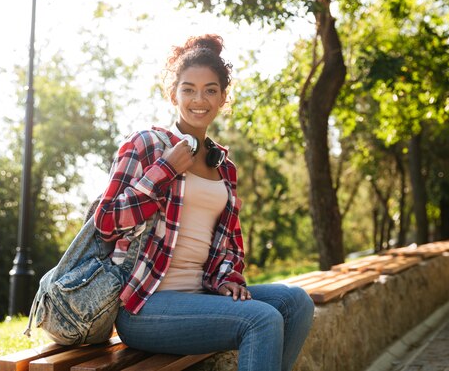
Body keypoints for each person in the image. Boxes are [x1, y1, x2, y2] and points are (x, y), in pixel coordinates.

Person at [93, 34, 314, 371]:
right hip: (144, 304)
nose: (200, 99)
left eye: (211, 90)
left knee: (296, 302)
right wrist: (165, 170)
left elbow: (227, 247)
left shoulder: (224, 167)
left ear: (224, 98)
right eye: (188, 89)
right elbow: (105, 221)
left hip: (202, 297)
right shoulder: (146, 145)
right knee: (262, 320)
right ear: (173, 94)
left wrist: (227, 279)